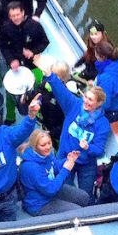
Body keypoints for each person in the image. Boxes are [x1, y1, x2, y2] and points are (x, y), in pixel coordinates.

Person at [35, 56, 110, 197]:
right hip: (65, 156)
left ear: (98, 104)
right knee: (66, 191)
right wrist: (49, 75)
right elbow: (60, 90)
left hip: (85, 164)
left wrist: (88, 147)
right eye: (85, 97)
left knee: (85, 195)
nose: (85, 101)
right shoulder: (74, 105)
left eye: (90, 100)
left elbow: (99, 150)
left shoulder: (102, 124)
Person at [19, 129, 90, 216]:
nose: (48, 147)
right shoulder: (31, 167)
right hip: (39, 203)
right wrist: (66, 169)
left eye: (49, 143)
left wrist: (69, 159)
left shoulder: (46, 154)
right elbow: (50, 190)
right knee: (78, 212)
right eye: (43, 145)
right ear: (35, 147)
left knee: (84, 197)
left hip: (51, 189)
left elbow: (55, 167)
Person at [0, 1, 49, 72]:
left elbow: (45, 41)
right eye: (13, 16)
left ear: (23, 13)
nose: (16, 18)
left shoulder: (34, 25)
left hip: (32, 63)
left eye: (17, 14)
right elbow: (3, 45)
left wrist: (33, 52)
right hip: (15, 64)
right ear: (9, 16)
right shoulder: (6, 28)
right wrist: (11, 59)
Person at [94, 40, 118, 122]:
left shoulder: (106, 79)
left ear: (101, 57)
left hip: (114, 111)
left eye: (95, 54)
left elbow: (104, 104)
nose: (94, 56)